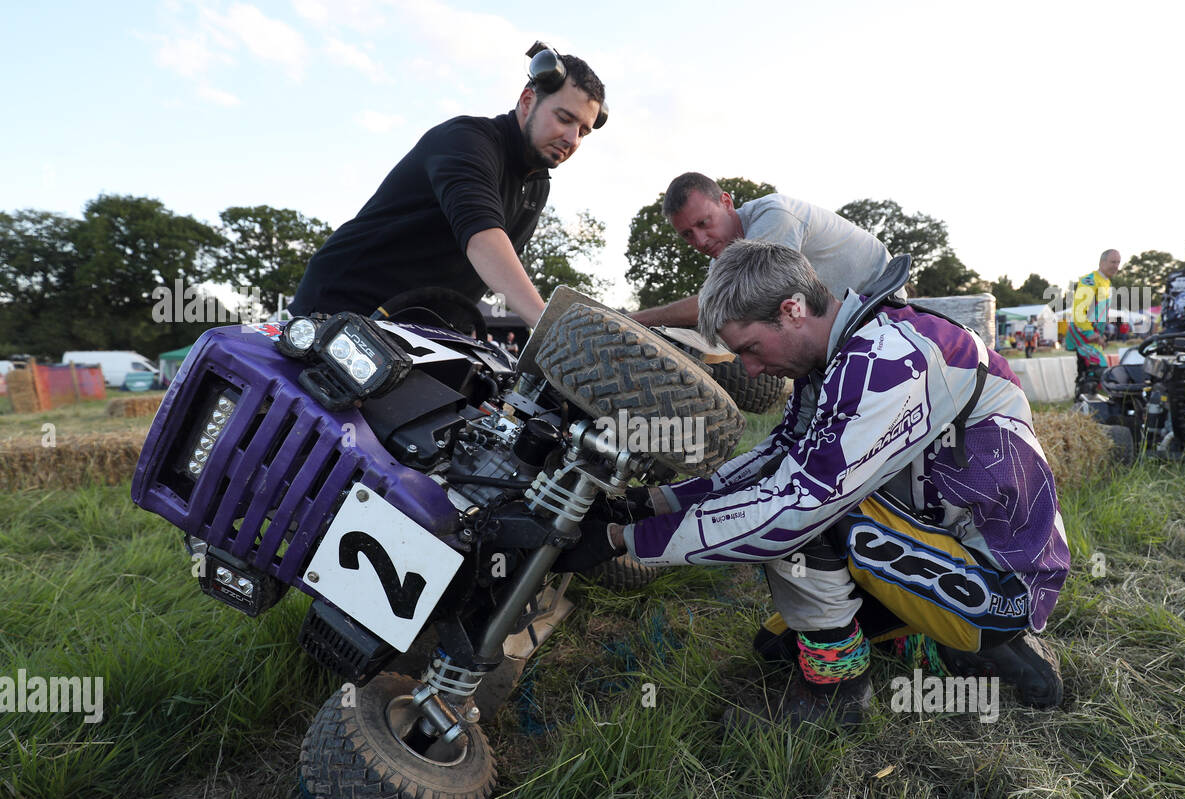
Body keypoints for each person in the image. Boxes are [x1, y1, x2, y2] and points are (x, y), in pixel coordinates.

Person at [559, 241, 1069, 724]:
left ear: (792, 309)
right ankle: (943, 641)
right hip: (946, 541)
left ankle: (841, 697)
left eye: (752, 348)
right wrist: (648, 504)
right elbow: (774, 455)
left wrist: (621, 541)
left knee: (799, 516)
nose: (753, 368)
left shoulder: (891, 359)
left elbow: (793, 503)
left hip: (1002, 581)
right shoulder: (847, 349)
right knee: (777, 647)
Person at [288, 45, 606, 326]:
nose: (572, 139)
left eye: (583, 131)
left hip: (418, 332)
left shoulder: (537, 187)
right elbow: (483, 239)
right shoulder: (466, 141)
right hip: (342, 308)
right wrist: (548, 328)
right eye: (565, 119)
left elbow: (500, 273)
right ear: (527, 101)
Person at [629, 173, 894, 328]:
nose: (699, 240)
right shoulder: (723, 262)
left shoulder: (775, 216)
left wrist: (633, 321)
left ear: (726, 202)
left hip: (881, 297)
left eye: (703, 223)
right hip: (836, 316)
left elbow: (721, 304)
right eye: (687, 234)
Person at [1068, 250, 1119, 393]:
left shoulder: (1106, 282)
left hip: (1092, 336)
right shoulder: (1089, 281)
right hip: (1082, 334)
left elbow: (1100, 313)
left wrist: (1101, 334)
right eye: (1112, 262)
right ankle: (1083, 403)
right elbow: (1079, 311)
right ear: (1102, 263)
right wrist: (1089, 332)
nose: (1116, 266)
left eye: (1118, 262)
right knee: (1097, 369)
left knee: (1088, 372)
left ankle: (1085, 405)